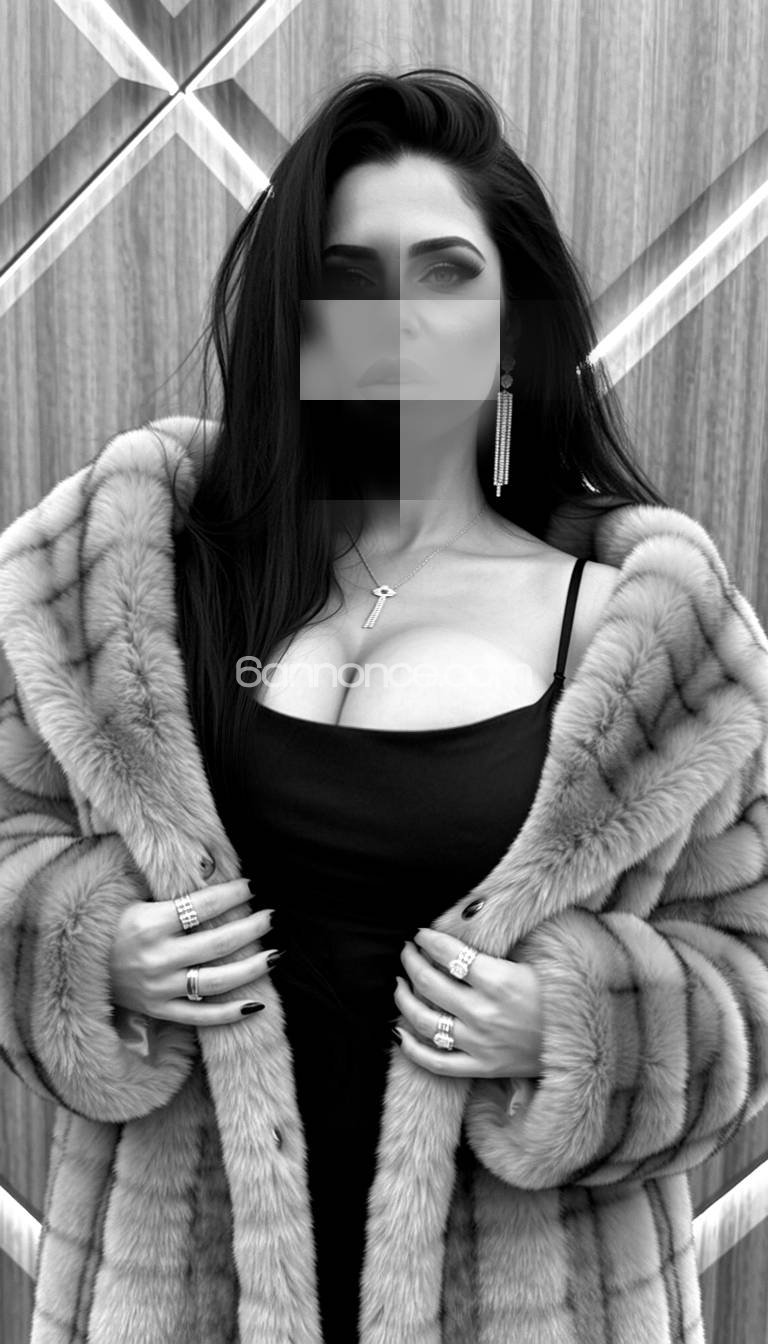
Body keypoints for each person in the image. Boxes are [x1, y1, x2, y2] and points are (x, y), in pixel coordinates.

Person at [1, 67, 767, 1344]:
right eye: (352, 280)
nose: (399, 322)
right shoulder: (138, 586)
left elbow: (749, 968)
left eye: (448, 275)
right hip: (177, 1298)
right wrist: (85, 953)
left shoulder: (649, 641)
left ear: (515, 327)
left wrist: (580, 1026)